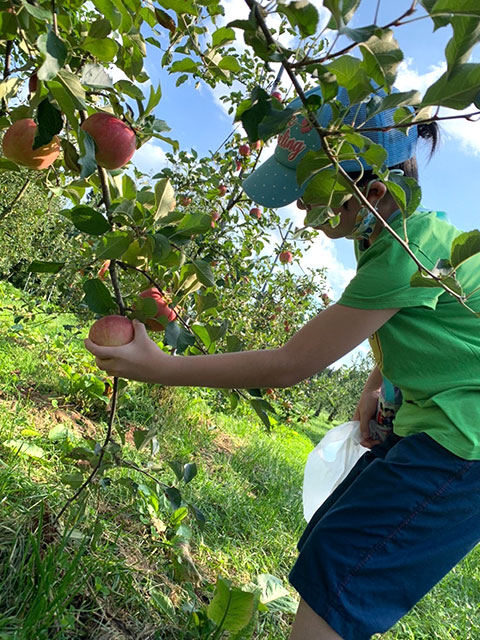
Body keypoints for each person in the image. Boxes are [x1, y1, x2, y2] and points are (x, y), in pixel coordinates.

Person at [85, 86, 480, 640]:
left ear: (370, 191)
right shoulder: (399, 238)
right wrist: (380, 380)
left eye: (308, 193)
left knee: (347, 570)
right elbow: (442, 331)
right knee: (334, 539)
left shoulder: (402, 251)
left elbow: (290, 364)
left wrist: (161, 367)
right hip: (440, 430)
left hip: (464, 448)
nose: (299, 208)